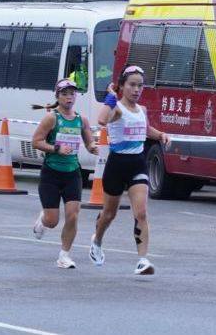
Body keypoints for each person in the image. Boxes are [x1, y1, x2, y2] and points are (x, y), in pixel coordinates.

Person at [89, 66, 170, 275]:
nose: (136, 90)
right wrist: (110, 96)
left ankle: (142, 260)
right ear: (122, 86)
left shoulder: (141, 110)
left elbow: (145, 130)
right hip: (116, 166)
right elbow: (101, 119)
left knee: (141, 212)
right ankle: (97, 241)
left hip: (137, 164)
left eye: (140, 85)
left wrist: (160, 135)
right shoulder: (116, 108)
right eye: (132, 85)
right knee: (109, 214)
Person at [31, 78, 98, 268]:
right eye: (64, 94)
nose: (69, 97)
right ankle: (43, 221)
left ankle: (64, 255)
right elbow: (36, 141)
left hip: (72, 173)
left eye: (72, 94)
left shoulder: (81, 119)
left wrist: (93, 147)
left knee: (73, 215)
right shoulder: (52, 118)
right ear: (58, 96)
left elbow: (88, 141)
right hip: (51, 174)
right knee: (52, 220)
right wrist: (56, 148)